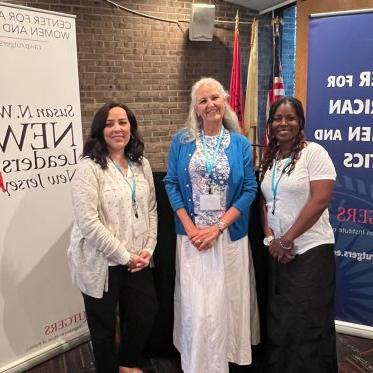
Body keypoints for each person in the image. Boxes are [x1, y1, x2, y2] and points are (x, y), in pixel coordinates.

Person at [164, 77, 260, 373]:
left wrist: (217, 227)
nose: (210, 105)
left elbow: (249, 189)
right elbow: (171, 184)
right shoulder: (182, 141)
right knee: (197, 305)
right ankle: (198, 360)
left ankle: (225, 356)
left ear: (225, 101)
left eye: (215, 98)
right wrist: (192, 229)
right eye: (203, 100)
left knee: (226, 302)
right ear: (195, 108)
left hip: (227, 237)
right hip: (192, 238)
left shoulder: (240, 143)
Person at [67, 101, 158, 373]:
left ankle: (127, 363)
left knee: (144, 313)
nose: (117, 128)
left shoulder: (141, 163)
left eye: (123, 122)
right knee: (103, 327)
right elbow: (88, 223)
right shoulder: (89, 167)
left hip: (139, 257)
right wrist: (124, 255)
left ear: (131, 127)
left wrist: (148, 249)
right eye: (109, 123)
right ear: (99, 130)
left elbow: (151, 208)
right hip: (100, 262)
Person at [260, 97, 338, 373]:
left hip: (310, 251)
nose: (283, 123)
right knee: (283, 320)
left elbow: (319, 200)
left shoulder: (314, 153)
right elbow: (266, 201)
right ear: (270, 124)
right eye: (277, 118)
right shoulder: (271, 158)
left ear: (301, 122)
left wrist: (287, 238)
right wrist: (271, 239)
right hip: (279, 253)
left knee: (307, 322)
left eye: (290, 117)